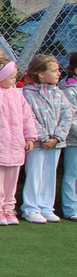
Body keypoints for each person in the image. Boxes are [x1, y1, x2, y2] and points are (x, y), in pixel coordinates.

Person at [0, 59, 36, 225]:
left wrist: (30, 136)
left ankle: (9, 207)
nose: (14, 80)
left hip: (15, 146)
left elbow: (27, 117)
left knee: (11, 182)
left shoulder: (17, 94)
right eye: (11, 77)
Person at [21, 55, 72, 223]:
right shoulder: (28, 93)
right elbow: (29, 117)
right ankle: (31, 208)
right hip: (38, 143)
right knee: (34, 173)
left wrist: (57, 138)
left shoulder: (59, 93)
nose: (59, 73)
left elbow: (67, 115)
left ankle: (46, 207)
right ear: (41, 74)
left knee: (49, 174)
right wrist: (43, 137)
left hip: (55, 144)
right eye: (54, 70)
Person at [60, 52, 77, 221]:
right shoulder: (70, 90)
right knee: (72, 174)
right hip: (74, 141)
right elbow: (70, 118)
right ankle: (71, 208)